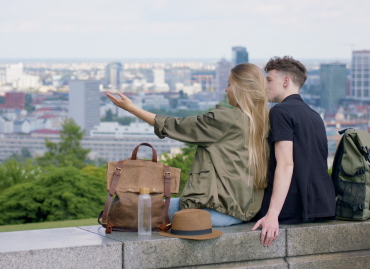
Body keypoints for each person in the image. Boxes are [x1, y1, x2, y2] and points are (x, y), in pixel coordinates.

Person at [106, 63, 269, 227]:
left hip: (216, 211)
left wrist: (132, 108)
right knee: (152, 205)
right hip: (240, 212)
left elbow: (176, 126)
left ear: (242, 88)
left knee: (133, 209)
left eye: (229, 84)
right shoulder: (261, 121)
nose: (226, 90)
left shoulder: (228, 118)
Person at [252, 56, 336, 247]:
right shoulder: (314, 115)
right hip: (322, 205)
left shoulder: (280, 112)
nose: (265, 85)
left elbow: (286, 164)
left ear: (286, 81)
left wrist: (272, 214)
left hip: (293, 208)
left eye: (269, 80)